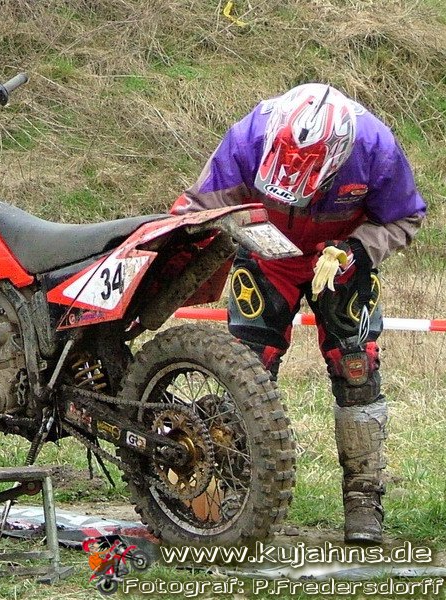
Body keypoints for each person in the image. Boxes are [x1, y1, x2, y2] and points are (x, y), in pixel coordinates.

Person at [172, 83, 426, 544]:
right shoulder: (250, 136)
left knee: (356, 367)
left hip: (342, 260)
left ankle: (363, 497)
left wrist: (358, 251)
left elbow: (404, 216)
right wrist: (172, 253)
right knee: (244, 371)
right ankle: (234, 488)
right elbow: (198, 206)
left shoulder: (375, 146)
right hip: (266, 255)